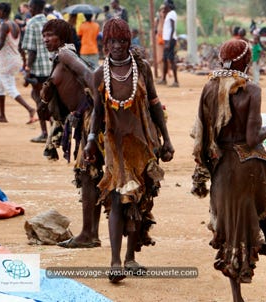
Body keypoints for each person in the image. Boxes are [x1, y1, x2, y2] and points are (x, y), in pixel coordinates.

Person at [191, 38, 266, 302]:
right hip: (251, 168)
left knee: (229, 233)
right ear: (246, 61)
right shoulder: (251, 90)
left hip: (223, 170)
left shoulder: (209, 88)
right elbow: (254, 137)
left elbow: (203, 134)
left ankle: (237, 297)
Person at [84, 17, 174, 283]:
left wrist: (166, 140)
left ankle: (130, 258)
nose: (118, 46)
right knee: (115, 199)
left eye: (122, 41)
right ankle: (114, 262)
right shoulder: (100, 75)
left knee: (139, 200)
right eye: (112, 41)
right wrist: (90, 140)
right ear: (105, 43)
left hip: (143, 144)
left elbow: (156, 105)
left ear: (129, 41)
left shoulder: (142, 68)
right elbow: (98, 112)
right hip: (115, 145)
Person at [38, 18, 102, 249]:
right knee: (90, 176)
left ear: (62, 37)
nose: (46, 39)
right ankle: (91, 233)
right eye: (44, 35)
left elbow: (89, 76)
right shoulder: (59, 57)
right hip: (85, 119)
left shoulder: (66, 55)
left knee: (87, 174)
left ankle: (88, 234)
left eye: (51, 35)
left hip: (90, 119)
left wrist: (97, 112)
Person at [0, 2, 36, 124]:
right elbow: (18, 45)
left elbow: (1, 43)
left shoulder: (4, 26)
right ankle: (2, 115)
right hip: (12, 59)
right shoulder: (14, 24)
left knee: (10, 88)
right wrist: (23, 60)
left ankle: (30, 109)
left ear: (2, 11)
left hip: (6, 62)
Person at [22, 0, 52, 143]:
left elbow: (31, 50)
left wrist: (27, 69)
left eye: (30, 6)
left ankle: (45, 133)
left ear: (34, 8)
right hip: (52, 68)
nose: (29, 9)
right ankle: (54, 127)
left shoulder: (32, 23)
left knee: (38, 97)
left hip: (39, 69)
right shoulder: (49, 22)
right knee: (50, 98)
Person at [157, 0, 179, 87]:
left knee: (171, 60)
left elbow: (172, 28)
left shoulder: (172, 14)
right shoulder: (169, 14)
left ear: (168, 6)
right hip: (167, 40)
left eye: (165, 5)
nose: (164, 7)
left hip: (170, 40)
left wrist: (169, 42)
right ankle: (163, 79)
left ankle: (176, 81)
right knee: (165, 59)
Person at [154, 4, 166, 77]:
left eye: (164, 10)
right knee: (159, 59)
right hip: (159, 40)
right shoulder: (157, 19)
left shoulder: (167, 19)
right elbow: (155, 31)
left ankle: (165, 73)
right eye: (161, 10)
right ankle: (162, 74)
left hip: (166, 40)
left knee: (165, 59)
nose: (162, 11)